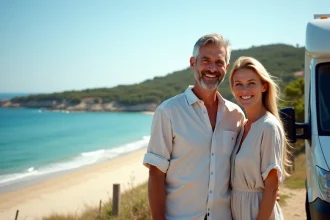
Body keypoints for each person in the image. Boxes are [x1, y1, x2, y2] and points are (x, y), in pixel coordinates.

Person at [143, 33, 245, 220]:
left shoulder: (236, 115)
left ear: (226, 67)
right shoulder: (168, 112)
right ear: (193, 63)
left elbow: (246, 164)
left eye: (219, 62)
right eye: (205, 60)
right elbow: (156, 174)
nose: (212, 68)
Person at [229, 56, 289, 220]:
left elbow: (271, 188)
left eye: (251, 83)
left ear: (264, 86)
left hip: (259, 213)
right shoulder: (242, 126)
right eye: (238, 84)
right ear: (233, 88)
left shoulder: (268, 126)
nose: (244, 90)